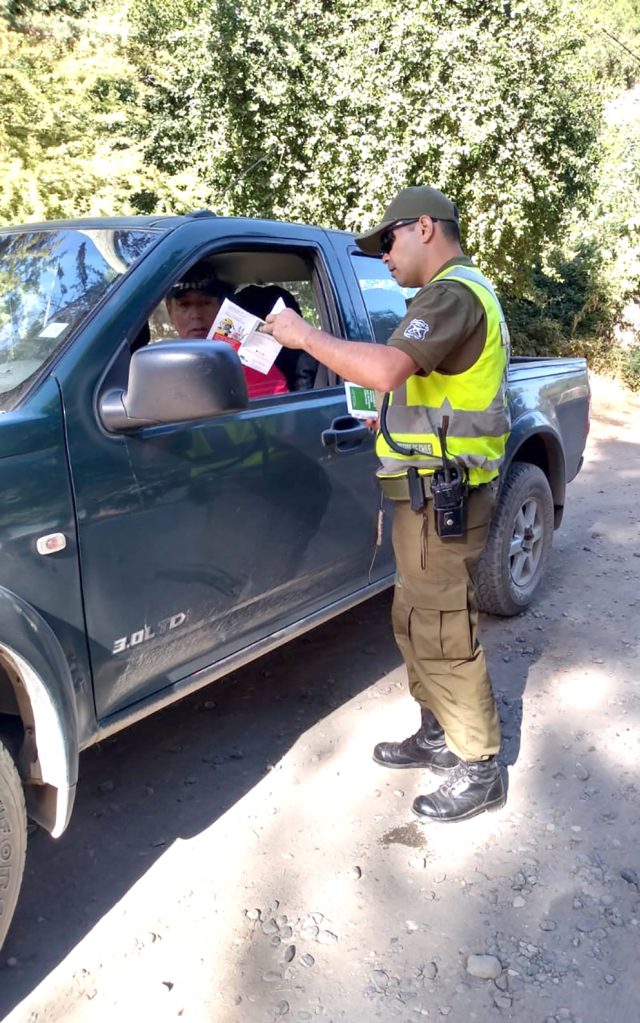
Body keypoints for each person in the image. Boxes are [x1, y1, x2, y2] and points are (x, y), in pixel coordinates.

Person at [263, 186, 510, 823]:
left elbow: (385, 370)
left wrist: (302, 334)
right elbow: (425, 392)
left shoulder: (452, 294)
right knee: (415, 619)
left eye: (389, 240)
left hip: (445, 497)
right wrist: (393, 422)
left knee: (442, 627)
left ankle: (479, 766)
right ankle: (438, 732)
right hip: (424, 495)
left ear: (425, 227)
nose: (383, 256)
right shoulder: (447, 296)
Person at [166, 263, 290, 399]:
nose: (196, 315)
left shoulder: (251, 361)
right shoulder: (162, 366)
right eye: (184, 304)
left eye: (205, 303)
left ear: (222, 309)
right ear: (170, 312)